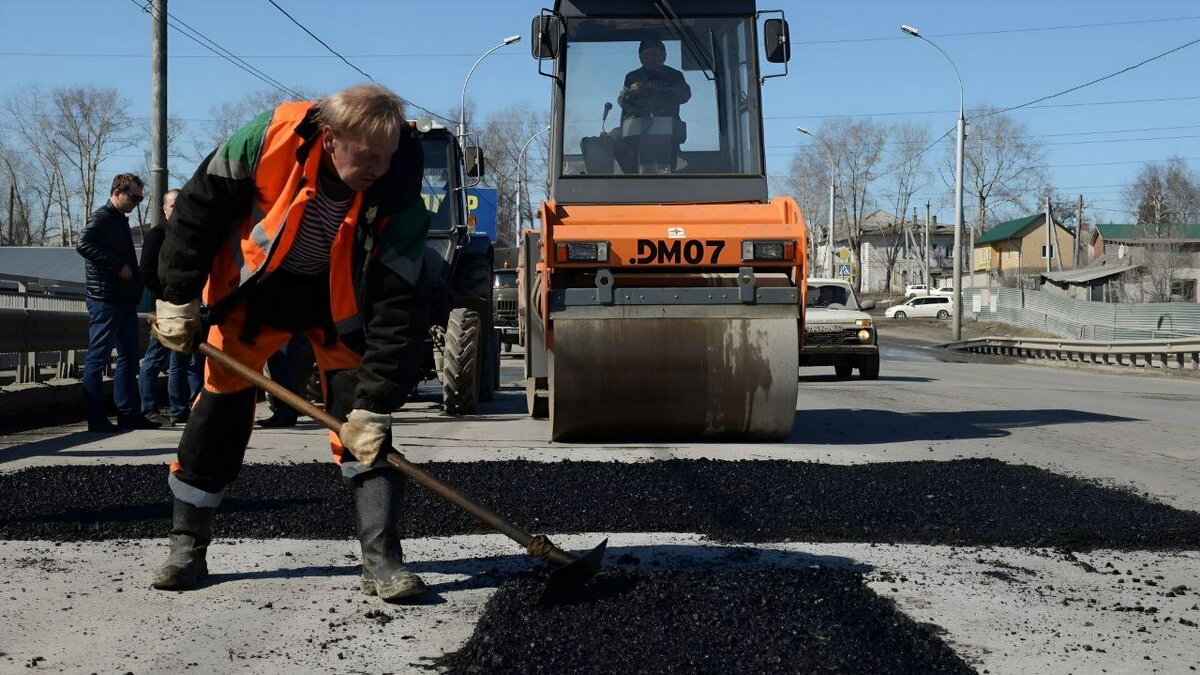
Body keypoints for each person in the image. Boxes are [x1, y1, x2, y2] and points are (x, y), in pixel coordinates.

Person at [149, 85, 432, 602]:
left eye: (386, 156)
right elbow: (196, 212)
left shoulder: (401, 194)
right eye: (366, 155)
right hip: (257, 294)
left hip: (339, 305)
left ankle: (383, 561)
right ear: (329, 137)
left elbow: (399, 304)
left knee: (365, 428)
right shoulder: (266, 139)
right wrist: (176, 294)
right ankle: (186, 547)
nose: (377, 167)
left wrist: (376, 402)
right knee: (218, 411)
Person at [76, 173, 159, 432]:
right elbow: (83, 243)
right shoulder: (102, 217)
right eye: (133, 197)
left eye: (140, 198)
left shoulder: (119, 219)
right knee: (98, 359)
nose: (136, 202)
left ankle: (128, 414)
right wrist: (116, 266)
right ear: (116, 193)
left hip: (122, 300)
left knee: (129, 357)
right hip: (105, 299)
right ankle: (97, 419)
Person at [138, 189, 191, 425]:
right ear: (164, 208)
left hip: (183, 304)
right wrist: (164, 296)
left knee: (179, 360)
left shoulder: (187, 234)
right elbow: (147, 273)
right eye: (172, 205)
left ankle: (180, 409)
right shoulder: (156, 235)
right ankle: (149, 409)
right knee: (154, 358)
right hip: (162, 305)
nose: (176, 208)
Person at [615, 38, 691, 173]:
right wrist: (633, 91)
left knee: (668, 173)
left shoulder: (674, 76)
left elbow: (685, 95)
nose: (651, 59)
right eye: (646, 55)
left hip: (668, 136)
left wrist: (664, 90)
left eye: (655, 55)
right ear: (640, 58)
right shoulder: (632, 77)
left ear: (664, 56)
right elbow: (622, 101)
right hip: (636, 137)